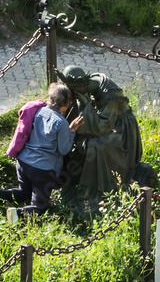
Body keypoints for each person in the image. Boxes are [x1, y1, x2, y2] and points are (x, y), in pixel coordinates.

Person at [0, 83, 84, 222]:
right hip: (42, 170)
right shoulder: (61, 123)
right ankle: (17, 214)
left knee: (24, 192)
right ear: (66, 104)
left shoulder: (38, 112)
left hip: (23, 162)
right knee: (40, 207)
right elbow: (64, 149)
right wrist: (71, 131)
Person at [56, 65, 145, 211]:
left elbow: (102, 127)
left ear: (83, 86)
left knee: (93, 146)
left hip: (121, 132)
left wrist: (85, 104)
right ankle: (76, 184)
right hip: (105, 124)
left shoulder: (109, 94)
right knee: (82, 142)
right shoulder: (91, 85)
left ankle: (91, 191)